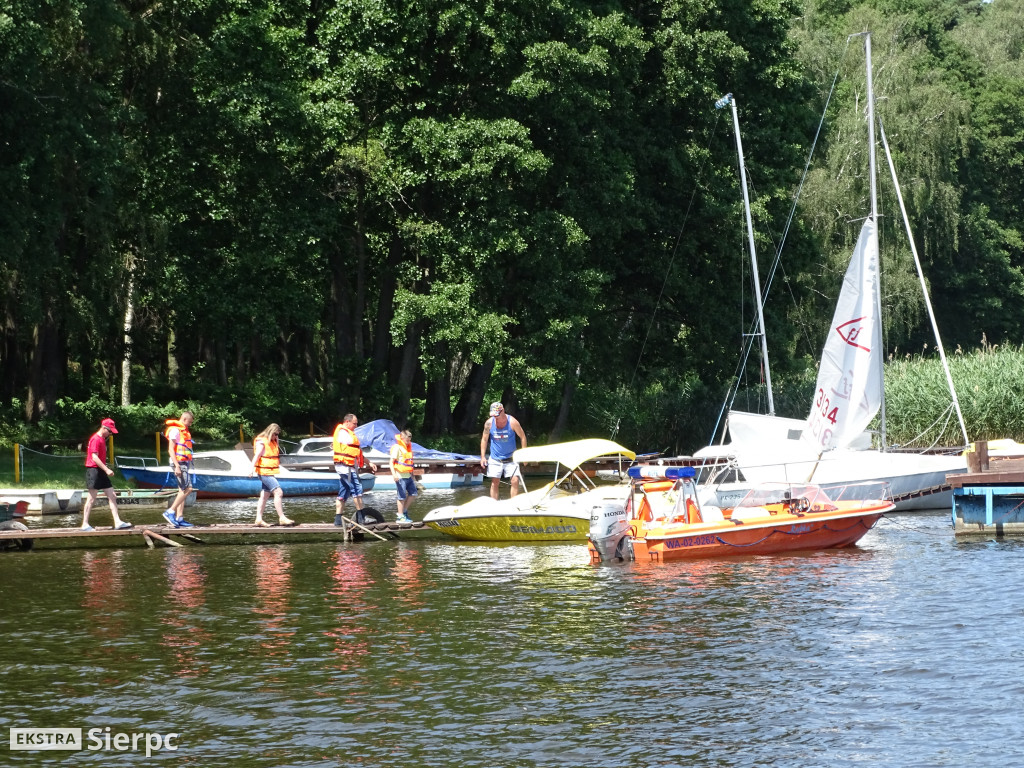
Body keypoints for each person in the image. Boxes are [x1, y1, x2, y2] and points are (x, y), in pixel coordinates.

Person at [81, 418, 132, 531]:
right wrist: (107, 469)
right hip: (93, 471)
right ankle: (85, 524)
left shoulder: (103, 439)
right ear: (104, 428)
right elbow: (94, 457)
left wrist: (104, 469)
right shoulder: (95, 439)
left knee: (112, 495)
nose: (110, 434)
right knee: (91, 498)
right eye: (110, 431)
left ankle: (117, 521)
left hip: (101, 471)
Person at [331, 413, 377, 526]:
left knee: (344, 492)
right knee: (357, 490)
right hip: (346, 467)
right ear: (347, 422)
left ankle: (338, 520)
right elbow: (352, 445)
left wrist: (369, 463)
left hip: (346, 467)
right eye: (354, 424)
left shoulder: (348, 434)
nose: (356, 426)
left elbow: (357, 452)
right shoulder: (343, 432)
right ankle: (362, 518)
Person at [248, 423, 296, 527]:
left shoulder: (273, 441)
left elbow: (276, 450)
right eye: (275, 434)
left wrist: (276, 440)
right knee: (278, 492)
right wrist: (251, 469)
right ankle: (282, 518)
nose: (276, 436)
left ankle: (258, 519)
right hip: (264, 472)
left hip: (269, 471)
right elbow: (257, 456)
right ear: (270, 432)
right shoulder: (262, 441)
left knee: (264, 495)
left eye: (278, 435)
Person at [480, 401, 527, 499]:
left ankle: (514, 504)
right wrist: (483, 457)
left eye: (497, 415)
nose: (495, 417)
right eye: (494, 415)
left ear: (503, 411)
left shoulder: (512, 422)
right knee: (495, 482)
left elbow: (522, 437)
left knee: (515, 480)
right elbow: (484, 439)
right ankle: (494, 504)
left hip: (511, 458)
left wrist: (524, 455)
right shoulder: (489, 423)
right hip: (495, 458)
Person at [163, 411, 195, 528]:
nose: (190, 424)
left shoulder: (184, 431)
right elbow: (171, 449)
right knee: (188, 489)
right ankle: (170, 512)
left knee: (182, 490)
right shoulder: (175, 430)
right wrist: (176, 466)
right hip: (179, 463)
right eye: (189, 422)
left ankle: (179, 517)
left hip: (184, 463)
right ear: (184, 419)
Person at [389, 429, 416, 523]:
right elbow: (391, 462)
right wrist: (394, 475)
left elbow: (410, 463)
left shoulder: (408, 448)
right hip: (400, 476)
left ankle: (404, 511)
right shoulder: (397, 447)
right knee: (401, 496)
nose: (408, 442)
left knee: (413, 493)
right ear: (402, 438)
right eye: (407, 440)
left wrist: (412, 475)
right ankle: (400, 516)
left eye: (409, 440)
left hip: (408, 476)